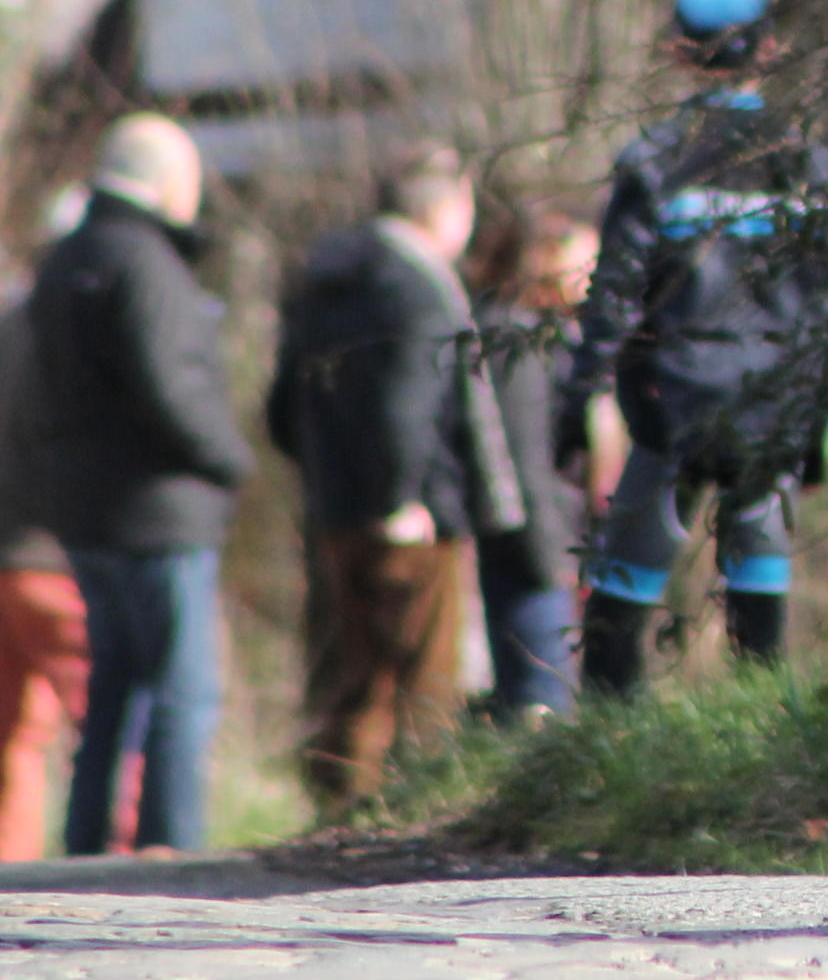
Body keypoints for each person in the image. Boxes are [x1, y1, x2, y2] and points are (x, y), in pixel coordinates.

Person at [561, 0, 828, 693]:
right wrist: (816, 423)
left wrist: (578, 399)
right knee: (759, 566)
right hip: (772, 400)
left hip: (671, 402)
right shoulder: (809, 165)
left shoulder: (654, 161)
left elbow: (615, 293)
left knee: (628, 570)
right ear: (770, 48)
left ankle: (605, 727)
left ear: (676, 51)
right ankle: (762, 725)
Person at [268, 145, 525, 812]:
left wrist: (329, 479)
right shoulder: (417, 286)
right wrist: (401, 498)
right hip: (413, 515)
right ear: (443, 209)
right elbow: (405, 407)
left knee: (357, 677)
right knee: (424, 681)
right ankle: (414, 815)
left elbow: (282, 407)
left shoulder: (323, 282)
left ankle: (337, 815)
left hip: (336, 511)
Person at [24, 114, 252, 855]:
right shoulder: (148, 263)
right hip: (162, 512)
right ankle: (169, 849)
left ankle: (86, 847)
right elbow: (169, 387)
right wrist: (229, 459)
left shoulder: (63, 260)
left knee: (113, 695)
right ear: (167, 183)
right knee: (183, 695)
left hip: (85, 513)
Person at [466, 203, 603, 722]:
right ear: (544, 263)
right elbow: (523, 461)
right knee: (541, 703)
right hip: (533, 550)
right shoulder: (512, 340)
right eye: (584, 265)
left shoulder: (545, 335)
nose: (594, 281)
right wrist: (552, 560)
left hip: (547, 537)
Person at [0, 261, 89, 861]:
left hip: (9, 553)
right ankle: (123, 855)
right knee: (105, 720)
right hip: (56, 557)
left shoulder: (11, 325)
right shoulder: (67, 334)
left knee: (16, 736)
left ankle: (12, 862)